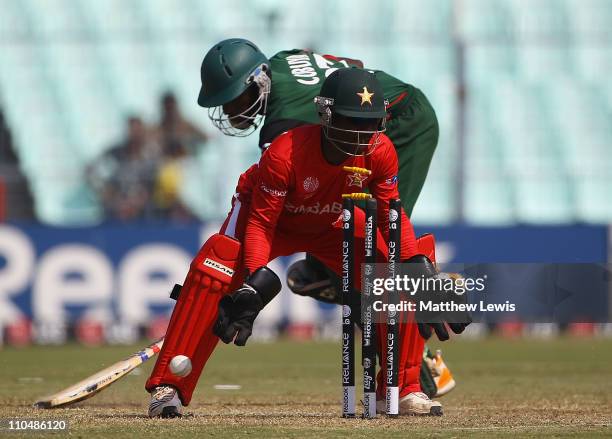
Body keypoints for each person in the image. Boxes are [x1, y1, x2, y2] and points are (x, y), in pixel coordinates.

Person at [145, 68, 468, 418]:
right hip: (275, 221)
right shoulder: (286, 153)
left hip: (331, 222)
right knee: (218, 263)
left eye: (370, 124)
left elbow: (392, 213)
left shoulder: (380, 151)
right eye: (350, 123)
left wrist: (418, 269)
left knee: (401, 266)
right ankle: (169, 387)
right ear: (326, 116)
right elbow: (261, 222)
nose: (362, 137)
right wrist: (254, 280)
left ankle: (402, 388)